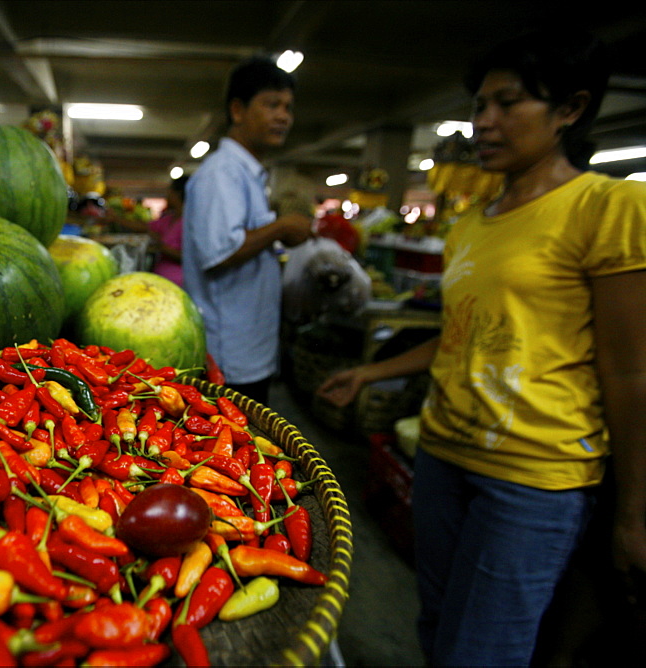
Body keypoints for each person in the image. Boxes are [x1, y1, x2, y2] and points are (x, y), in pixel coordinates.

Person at [317, 29, 646, 666]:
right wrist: (370, 373)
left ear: (570, 110)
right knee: (438, 627)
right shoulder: (472, 223)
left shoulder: (607, 206)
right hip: (443, 456)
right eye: (478, 105)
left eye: (507, 103)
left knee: (484, 652)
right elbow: (463, 336)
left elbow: (630, 368)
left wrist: (634, 511)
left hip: (533, 479)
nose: (483, 122)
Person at [182, 56, 314, 405]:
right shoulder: (222, 173)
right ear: (238, 110)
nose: (284, 116)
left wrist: (275, 231)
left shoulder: (248, 175)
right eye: (272, 105)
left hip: (249, 349)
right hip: (229, 355)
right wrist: (282, 226)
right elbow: (221, 251)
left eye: (288, 107)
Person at [149, 175, 187, 286]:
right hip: (163, 282)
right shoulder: (169, 218)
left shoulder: (192, 222)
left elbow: (193, 257)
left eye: (169, 191)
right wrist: (116, 218)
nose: (167, 195)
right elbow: (145, 226)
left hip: (181, 284)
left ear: (177, 193)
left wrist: (161, 247)